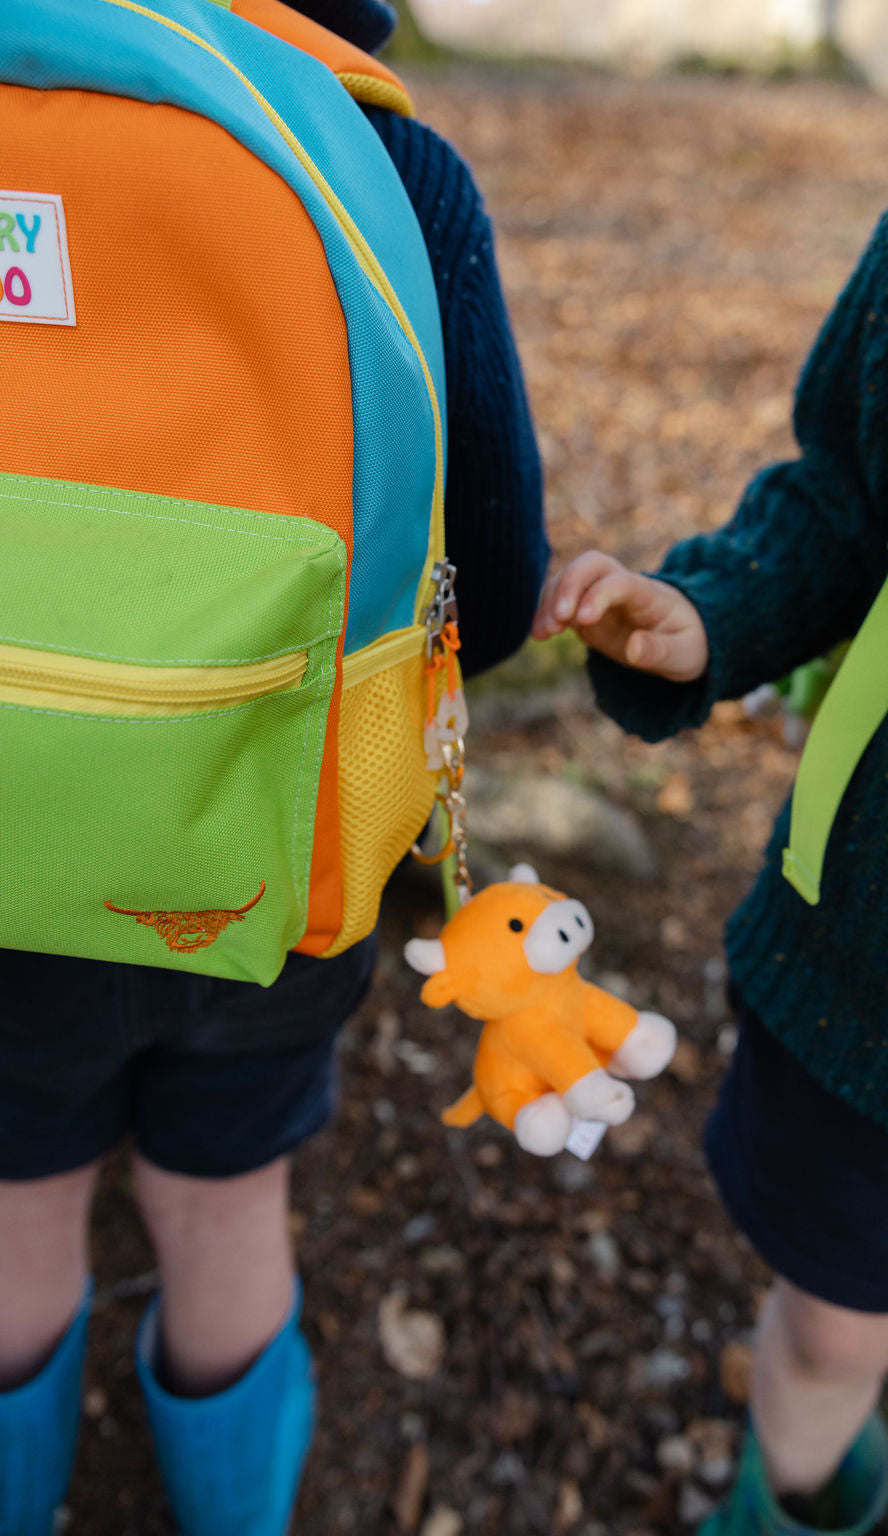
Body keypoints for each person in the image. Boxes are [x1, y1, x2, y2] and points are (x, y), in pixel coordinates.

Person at [0, 2, 546, 1532]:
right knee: (225, 1199)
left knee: (16, 1211)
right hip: (277, 840)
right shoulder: (387, 161)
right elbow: (490, 588)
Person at [534, 120, 888, 1536]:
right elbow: (841, 500)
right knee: (826, 1335)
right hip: (872, 964)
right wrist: (714, 615)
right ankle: (783, 1506)